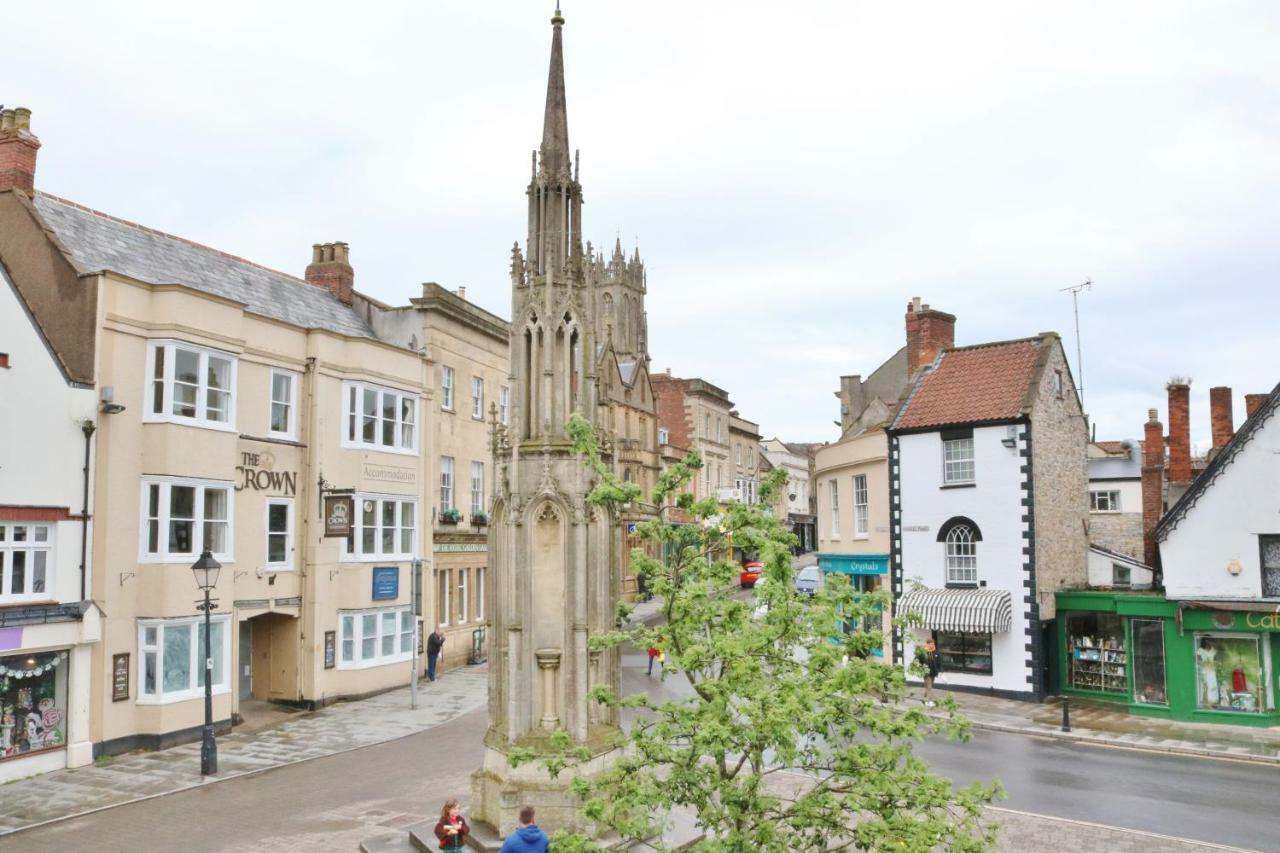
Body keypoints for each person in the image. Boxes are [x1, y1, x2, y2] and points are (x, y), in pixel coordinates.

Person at [917, 638, 941, 706]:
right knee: (929, 687)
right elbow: (917, 660)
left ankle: (924, 697)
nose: (932, 645)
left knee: (929, 686)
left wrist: (940, 670)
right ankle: (930, 701)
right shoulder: (923, 652)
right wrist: (920, 668)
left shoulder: (935, 652)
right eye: (931, 644)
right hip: (926, 672)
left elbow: (938, 662)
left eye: (933, 644)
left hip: (933, 672)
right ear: (927, 644)